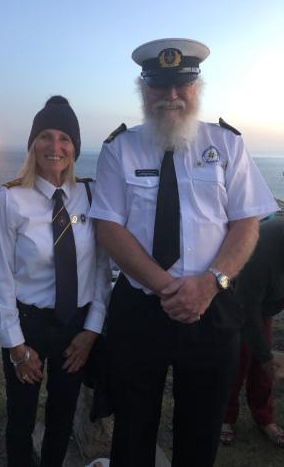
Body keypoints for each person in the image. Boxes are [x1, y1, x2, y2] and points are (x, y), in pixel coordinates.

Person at [89, 38, 279, 467]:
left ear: (197, 88)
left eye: (181, 85)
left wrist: (210, 285)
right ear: (143, 89)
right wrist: (168, 288)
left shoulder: (226, 144)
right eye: (159, 86)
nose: (170, 97)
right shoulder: (120, 149)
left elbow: (247, 222)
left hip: (212, 307)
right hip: (140, 309)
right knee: (132, 430)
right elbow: (108, 227)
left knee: (202, 431)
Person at [0, 96, 111, 467]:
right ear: (32, 144)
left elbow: (101, 272)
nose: (54, 147)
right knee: (21, 421)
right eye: (45, 136)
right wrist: (16, 347)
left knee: (61, 417)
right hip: (29, 326)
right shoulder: (12, 199)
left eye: (64, 138)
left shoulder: (90, 195)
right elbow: (1, 278)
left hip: (76, 326)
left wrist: (91, 332)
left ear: (74, 148)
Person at [221, 217, 284, 446]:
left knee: (262, 366)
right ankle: (224, 416)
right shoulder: (265, 247)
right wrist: (267, 357)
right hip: (235, 298)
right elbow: (247, 308)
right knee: (238, 360)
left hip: (267, 301)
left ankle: (264, 417)